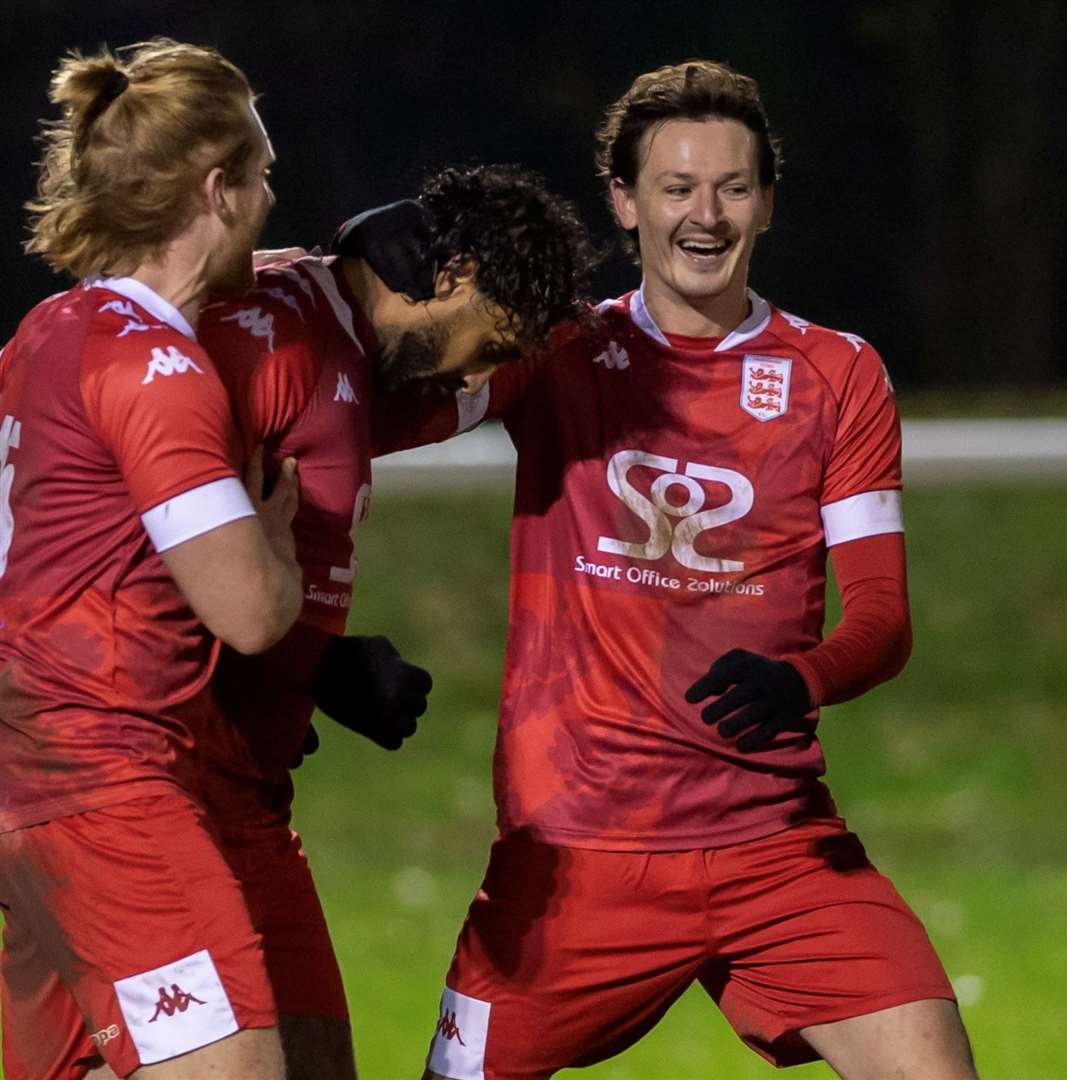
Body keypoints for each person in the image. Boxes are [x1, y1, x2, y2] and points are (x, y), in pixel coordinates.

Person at [393, 60, 977, 1080]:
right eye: (675, 188)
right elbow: (375, 412)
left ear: (765, 203)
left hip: (776, 848)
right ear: (624, 202)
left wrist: (801, 680)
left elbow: (881, 620)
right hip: (576, 858)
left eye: (732, 187)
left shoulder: (836, 373)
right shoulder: (559, 351)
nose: (704, 216)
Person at [27, 164, 599, 1080]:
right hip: (146, 780)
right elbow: (130, 503)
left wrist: (311, 669)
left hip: (247, 795)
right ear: (447, 275)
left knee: (315, 1063)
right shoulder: (243, 344)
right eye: (484, 344)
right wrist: (286, 659)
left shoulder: (360, 362)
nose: (479, 374)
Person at [0, 40, 300, 1080]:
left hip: (28, 790)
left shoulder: (46, 332)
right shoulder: (159, 365)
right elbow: (250, 614)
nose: (269, 203)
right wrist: (280, 531)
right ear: (217, 188)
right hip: (106, 791)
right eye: (262, 177)